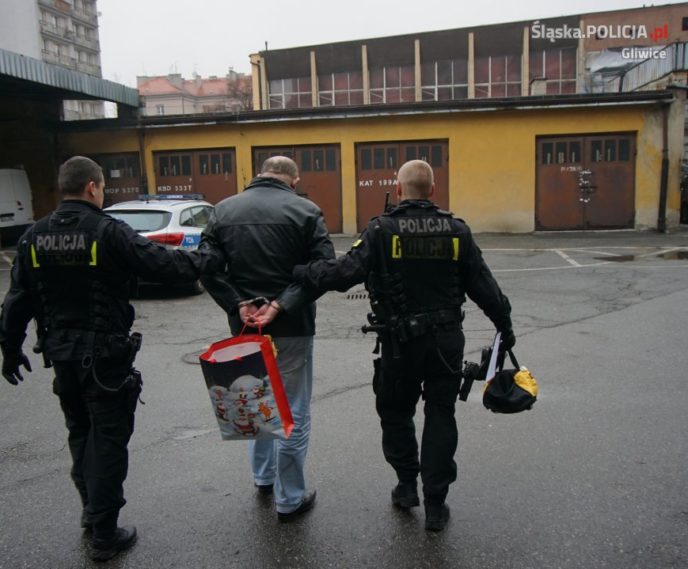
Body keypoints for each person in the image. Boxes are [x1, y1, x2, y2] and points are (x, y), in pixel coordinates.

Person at [0, 156, 224, 562]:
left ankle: (91, 510)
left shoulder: (33, 237)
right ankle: (104, 532)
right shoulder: (108, 232)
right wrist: (210, 253)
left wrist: (9, 348)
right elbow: (170, 266)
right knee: (108, 440)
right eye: (101, 186)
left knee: (80, 433)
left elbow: (17, 300)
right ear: (92, 187)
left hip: (62, 357)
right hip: (105, 359)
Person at [292, 159, 515, 532]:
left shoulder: (381, 230)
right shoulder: (457, 230)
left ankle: (407, 485)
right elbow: (485, 287)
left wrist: (301, 270)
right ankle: (437, 504)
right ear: (432, 189)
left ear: (398, 190)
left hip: (399, 344)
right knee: (441, 414)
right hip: (446, 342)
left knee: (396, 413)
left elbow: (343, 274)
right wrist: (504, 326)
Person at [198, 155, 335, 521]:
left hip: (245, 327)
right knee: (293, 409)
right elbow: (322, 271)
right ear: (293, 181)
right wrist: (281, 304)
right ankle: (289, 499)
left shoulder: (223, 210)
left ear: (258, 175)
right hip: (292, 325)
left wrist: (237, 304)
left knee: (255, 395)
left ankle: (263, 477)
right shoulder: (306, 210)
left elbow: (206, 268)